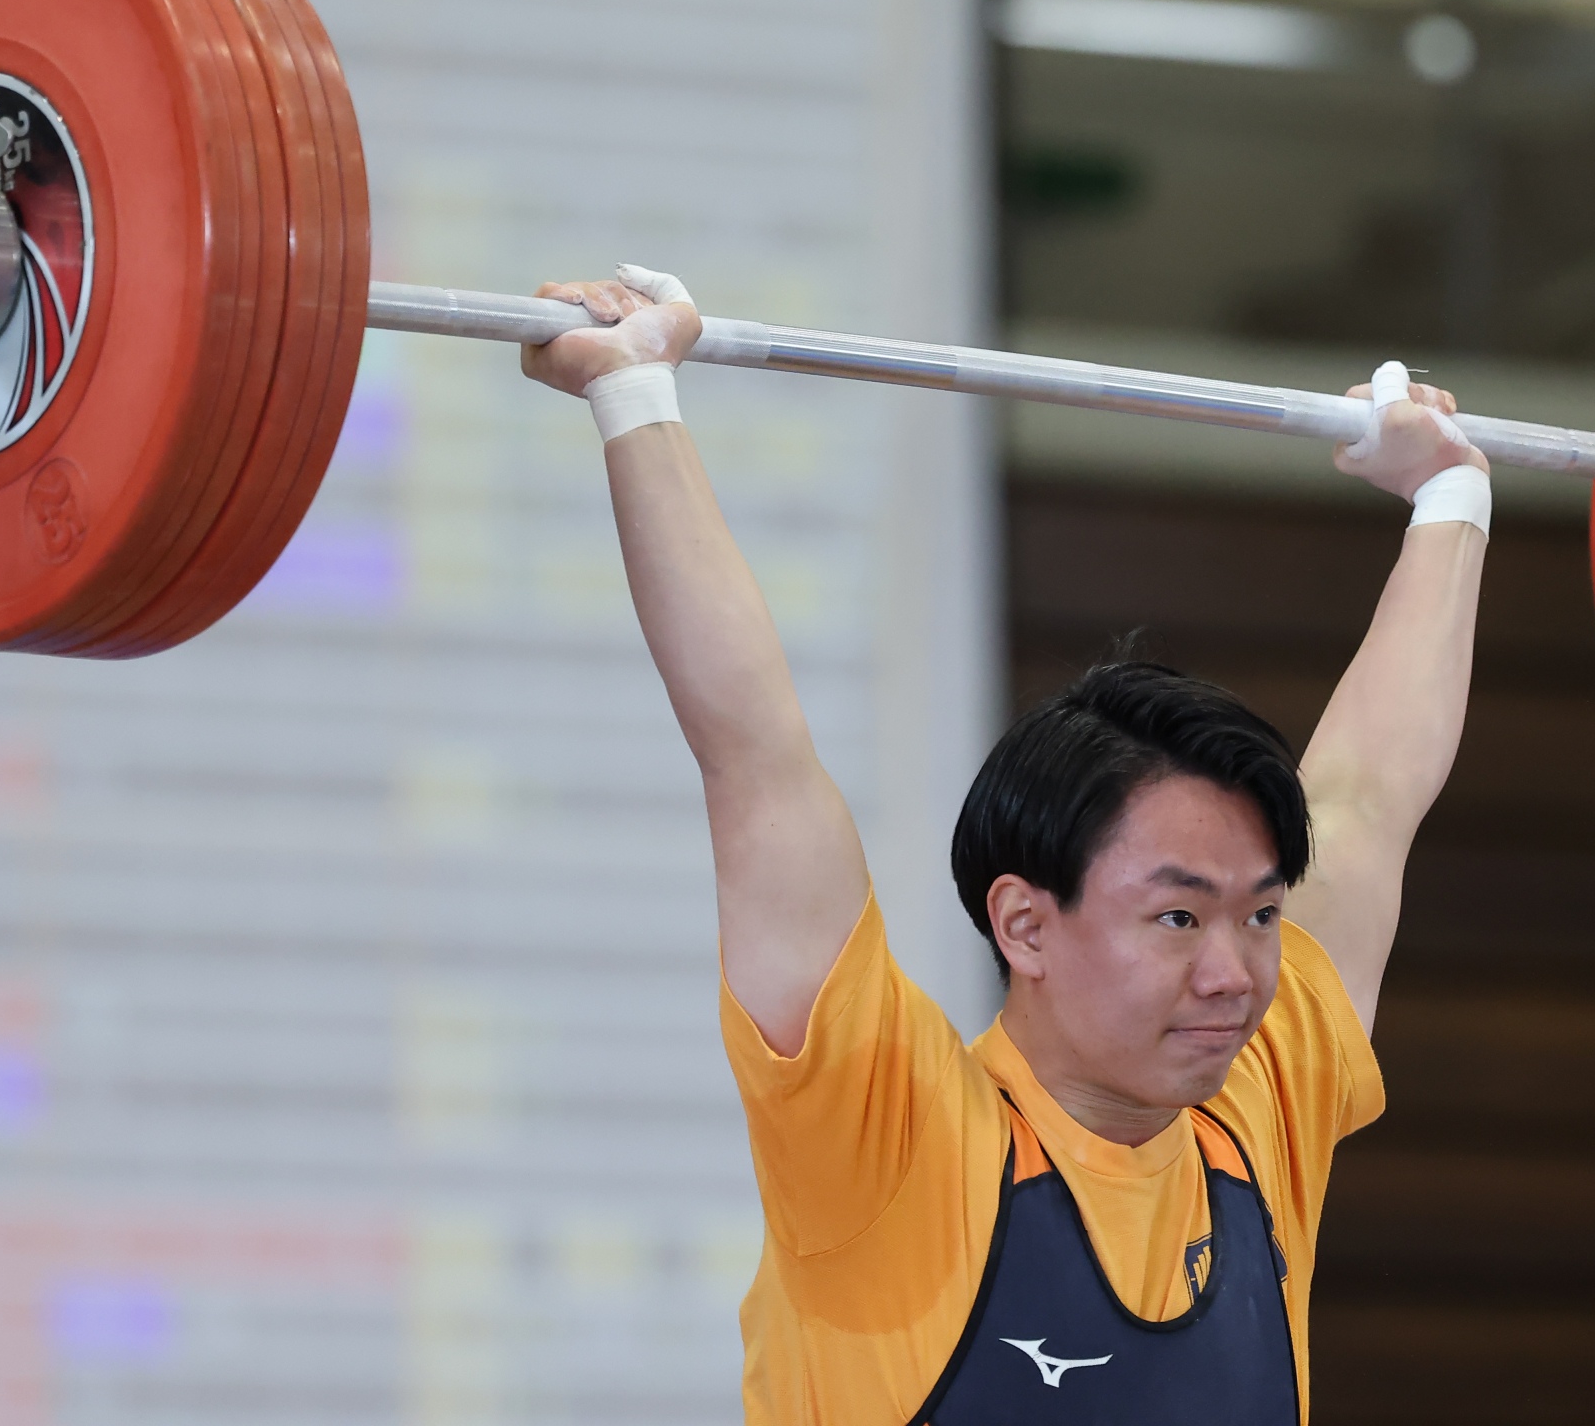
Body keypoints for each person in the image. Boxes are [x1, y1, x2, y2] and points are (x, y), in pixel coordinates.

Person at [524, 267, 1488, 1424]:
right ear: (1025, 922)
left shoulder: (1258, 1105)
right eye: (1179, 915)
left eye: (1262, 914)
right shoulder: (891, 1141)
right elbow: (755, 756)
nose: (1235, 973)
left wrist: (1449, 494)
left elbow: (1369, 797)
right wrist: (633, 394)